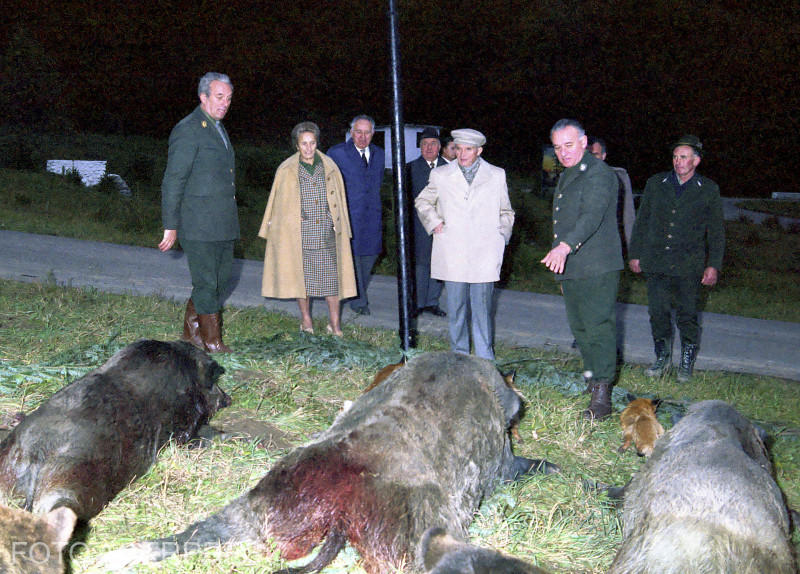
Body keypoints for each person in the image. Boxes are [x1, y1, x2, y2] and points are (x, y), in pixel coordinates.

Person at [541, 119, 622, 420]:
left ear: (584, 142)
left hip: (597, 264)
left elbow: (591, 216)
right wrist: (562, 266)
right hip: (573, 264)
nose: (563, 153)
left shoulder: (600, 174)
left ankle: (602, 393)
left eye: (569, 145)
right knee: (580, 327)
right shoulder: (568, 175)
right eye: (558, 147)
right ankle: (592, 377)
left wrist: (564, 247)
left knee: (598, 326)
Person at [628, 135, 724, 382]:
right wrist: (635, 254)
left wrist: (713, 265)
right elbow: (642, 221)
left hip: (689, 265)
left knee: (687, 314)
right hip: (657, 260)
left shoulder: (709, 189)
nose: (678, 162)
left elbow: (715, 232)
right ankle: (662, 358)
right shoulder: (656, 183)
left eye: (683, 157)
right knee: (657, 312)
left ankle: (686, 362)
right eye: (675, 157)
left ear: (696, 160)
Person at [415, 128, 514, 361]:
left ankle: (484, 359)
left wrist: (501, 235)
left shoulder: (497, 174)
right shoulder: (441, 174)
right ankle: (459, 356)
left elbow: (506, 211)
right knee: (456, 309)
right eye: (458, 148)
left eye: (468, 149)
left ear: (479, 150)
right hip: (453, 252)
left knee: (482, 310)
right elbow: (422, 200)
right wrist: (434, 222)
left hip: (485, 254)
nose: (462, 154)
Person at [159, 72, 238, 353]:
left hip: (222, 221)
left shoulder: (218, 128)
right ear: (203, 96)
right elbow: (174, 178)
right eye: (219, 97)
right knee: (206, 282)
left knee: (220, 279)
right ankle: (212, 342)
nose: (225, 103)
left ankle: (191, 334)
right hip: (198, 222)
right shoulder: (188, 129)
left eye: (228, 98)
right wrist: (171, 224)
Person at [258, 122, 357, 336]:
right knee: (301, 279)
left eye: (312, 143)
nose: (309, 148)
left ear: (317, 143)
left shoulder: (329, 165)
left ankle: (335, 324)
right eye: (304, 144)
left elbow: (339, 199)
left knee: (333, 280)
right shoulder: (286, 169)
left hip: (327, 232)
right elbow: (279, 204)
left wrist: (338, 222)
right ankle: (306, 321)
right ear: (297, 145)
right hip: (300, 235)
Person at [327, 115, 385, 316]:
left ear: (373, 134)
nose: (362, 137)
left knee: (369, 257)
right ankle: (358, 301)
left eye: (366, 132)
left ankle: (353, 294)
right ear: (351, 133)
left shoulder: (380, 154)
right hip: (348, 217)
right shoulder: (337, 153)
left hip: (372, 218)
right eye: (358, 132)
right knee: (351, 258)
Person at [406, 126, 446, 317]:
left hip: (443, 226)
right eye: (424, 144)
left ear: (439, 146)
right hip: (419, 226)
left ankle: (432, 302)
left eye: (432, 144)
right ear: (420, 147)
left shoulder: (449, 169)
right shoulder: (410, 168)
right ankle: (419, 303)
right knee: (421, 265)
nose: (429, 148)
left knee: (439, 264)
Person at [587, 136, 636, 253]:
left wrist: (633, 250)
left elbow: (628, 216)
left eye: (595, 155)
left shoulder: (618, 178)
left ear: (603, 156)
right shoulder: (571, 179)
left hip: (608, 247)